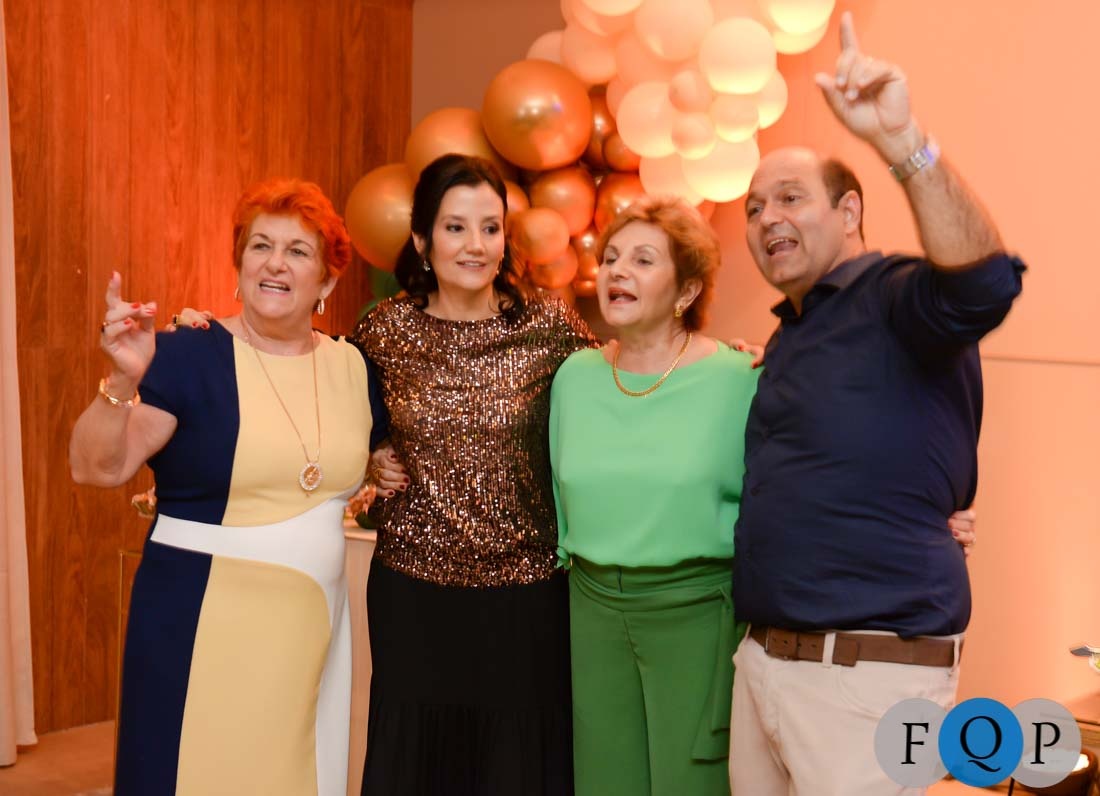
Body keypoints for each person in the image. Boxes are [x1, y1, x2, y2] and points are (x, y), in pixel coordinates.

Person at [729, 13, 1025, 796]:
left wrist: (903, 143)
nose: (766, 218)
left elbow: (983, 285)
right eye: (753, 208)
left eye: (790, 197)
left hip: (865, 680)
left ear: (850, 213)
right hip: (765, 667)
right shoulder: (791, 334)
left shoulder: (894, 294)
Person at [69, 178, 386, 796]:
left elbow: (376, 451)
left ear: (326, 282)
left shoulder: (353, 367)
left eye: (297, 250)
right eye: (260, 246)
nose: (275, 263)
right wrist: (121, 382)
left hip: (308, 631)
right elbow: (97, 468)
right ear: (239, 266)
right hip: (195, 622)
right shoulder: (187, 355)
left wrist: (389, 463)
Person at [350, 153, 596, 795]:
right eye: (455, 227)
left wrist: (713, 360)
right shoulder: (384, 330)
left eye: (490, 228)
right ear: (421, 240)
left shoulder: (548, 327)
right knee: (416, 764)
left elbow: (620, 391)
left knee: (517, 766)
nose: (476, 245)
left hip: (525, 596)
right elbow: (332, 407)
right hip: (413, 592)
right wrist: (371, 452)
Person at [549, 197, 757, 795]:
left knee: (691, 785)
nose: (618, 270)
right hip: (591, 609)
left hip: (695, 612)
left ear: (687, 290)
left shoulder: (738, 378)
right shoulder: (575, 376)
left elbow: (791, 492)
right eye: (611, 257)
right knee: (602, 783)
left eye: (643, 260)